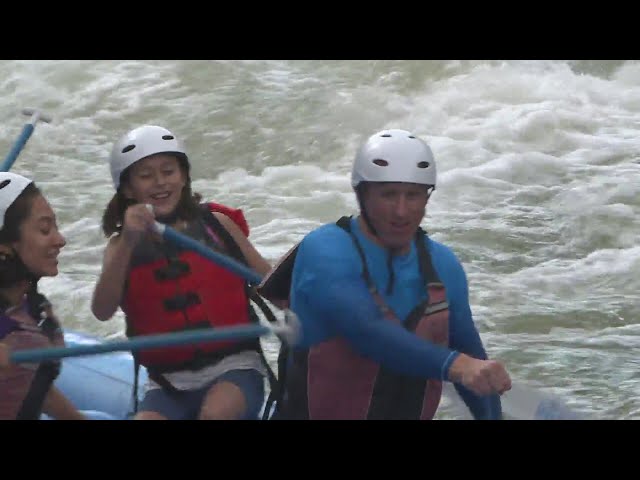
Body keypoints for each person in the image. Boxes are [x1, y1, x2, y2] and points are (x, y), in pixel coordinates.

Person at [260, 129, 512, 420]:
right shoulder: (324, 250)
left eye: (413, 195)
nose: (402, 211)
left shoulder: (443, 265)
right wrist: (457, 365)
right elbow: (368, 332)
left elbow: (475, 366)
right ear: (362, 195)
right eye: (388, 195)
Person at [91, 125, 278, 420]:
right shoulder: (120, 247)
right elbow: (102, 310)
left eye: (168, 171)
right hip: (167, 385)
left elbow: (272, 284)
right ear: (127, 188)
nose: (160, 183)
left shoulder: (216, 225)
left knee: (214, 416)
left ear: (184, 176)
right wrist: (128, 240)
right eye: (145, 175)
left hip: (236, 366)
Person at [0, 172, 87, 420]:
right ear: (4, 248)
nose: (60, 240)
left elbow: (37, 390)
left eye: (55, 227)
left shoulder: (32, 306)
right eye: (44, 229)